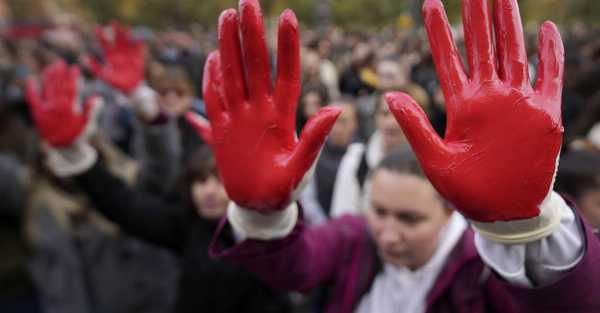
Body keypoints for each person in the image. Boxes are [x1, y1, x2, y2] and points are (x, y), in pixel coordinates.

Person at [194, 0, 600, 312]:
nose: (388, 234)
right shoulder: (355, 239)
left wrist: (523, 229)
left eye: (410, 219)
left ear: (449, 213)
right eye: (380, 211)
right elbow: (295, 268)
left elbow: (572, 304)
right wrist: (261, 216)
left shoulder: (481, 270)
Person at [25, 47, 292, 313]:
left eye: (219, 182)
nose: (208, 192)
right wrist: (79, 160)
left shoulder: (265, 235)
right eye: (200, 182)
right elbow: (124, 206)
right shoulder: (189, 225)